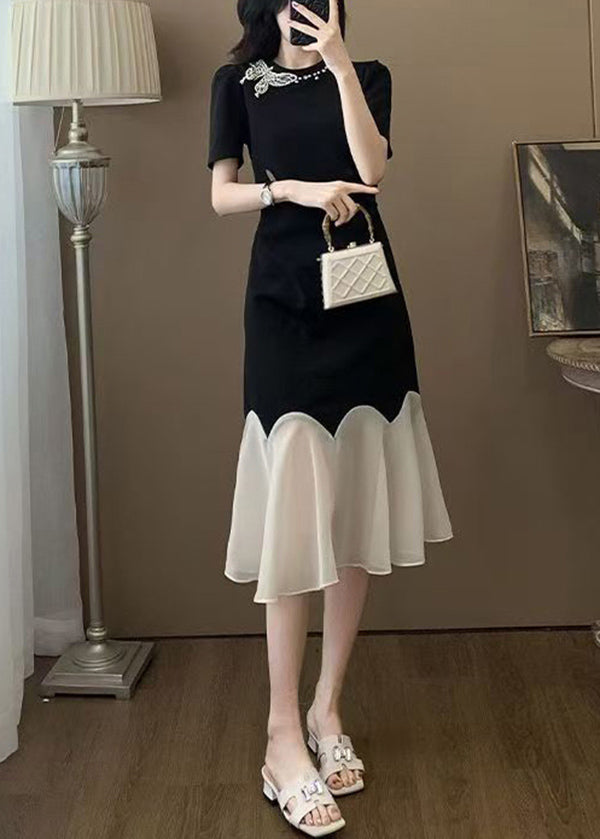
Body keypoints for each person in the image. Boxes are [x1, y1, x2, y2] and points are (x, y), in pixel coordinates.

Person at [207, 0, 454, 834]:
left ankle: (326, 707)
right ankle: (281, 737)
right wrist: (292, 189)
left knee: (354, 504)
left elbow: (372, 168)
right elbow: (220, 194)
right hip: (283, 300)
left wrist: (342, 64)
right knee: (294, 511)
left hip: (364, 298)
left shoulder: (369, 74)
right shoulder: (238, 82)